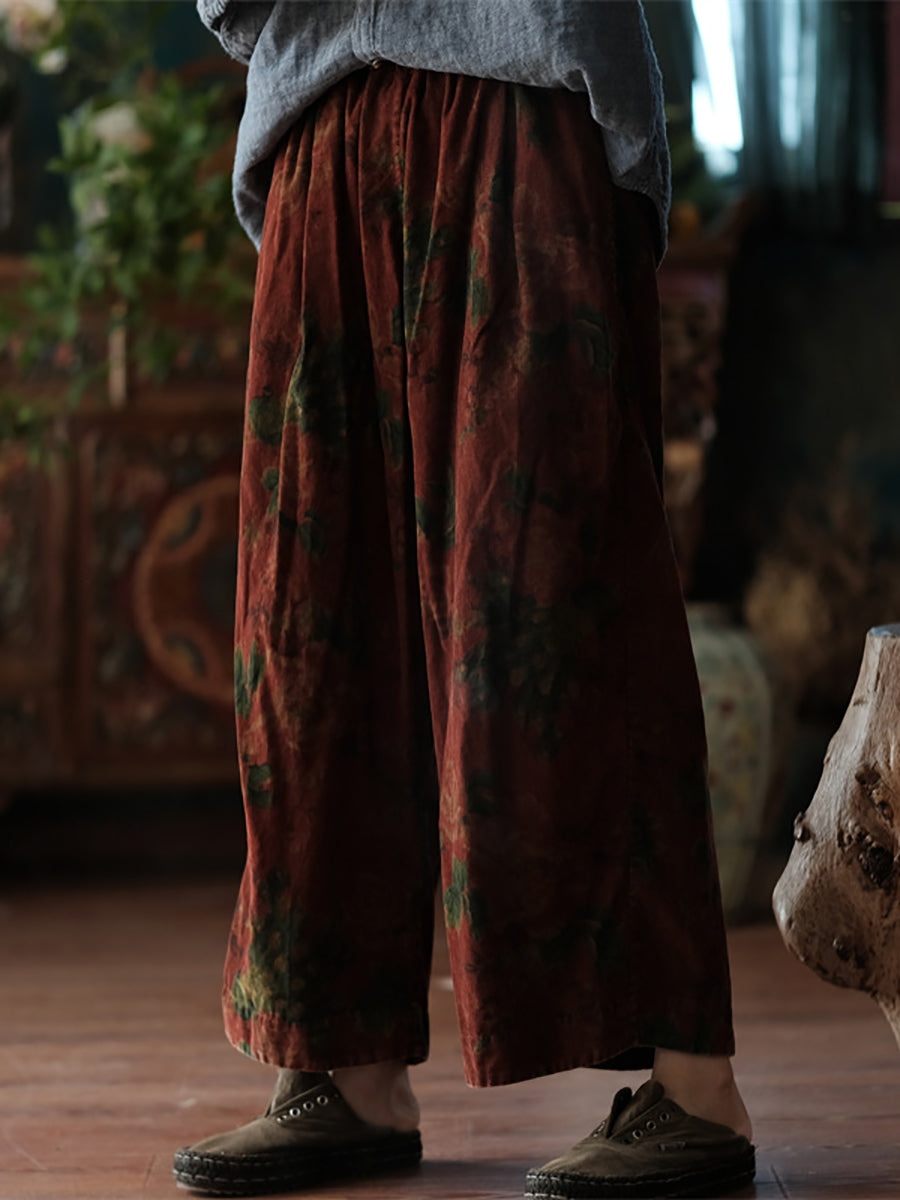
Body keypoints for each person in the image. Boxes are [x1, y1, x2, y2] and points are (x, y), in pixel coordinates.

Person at [174, 3, 754, 1197]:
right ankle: (342, 1067)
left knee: (553, 610)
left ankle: (696, 1086)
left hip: (524, 106)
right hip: (320, 128)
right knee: (308, 633)